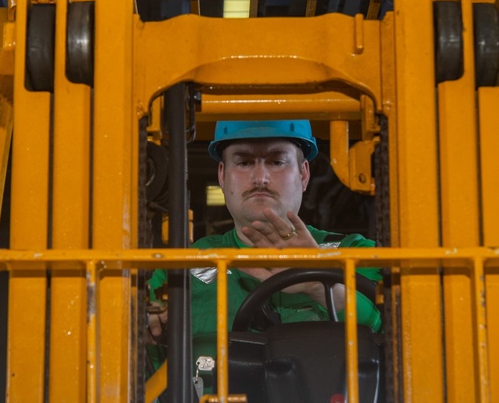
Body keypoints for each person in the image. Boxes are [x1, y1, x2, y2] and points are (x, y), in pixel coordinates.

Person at [147, 119, 382, 365]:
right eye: (244, 162)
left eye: (276, 161)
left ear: (303, 174)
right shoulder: (179, 269)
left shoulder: (356, 255)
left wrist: (319, 284)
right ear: (222, 175)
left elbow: (398, 332)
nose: (260, 178)